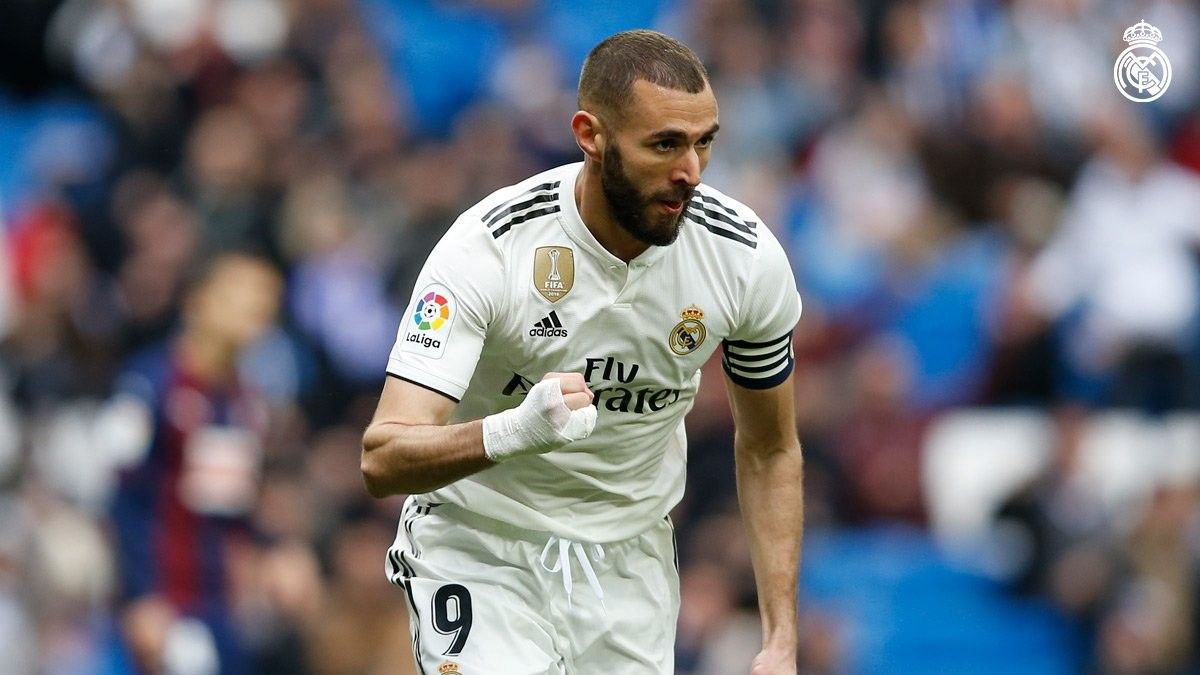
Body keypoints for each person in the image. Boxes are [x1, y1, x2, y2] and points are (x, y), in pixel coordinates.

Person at [361, 29, 804, 674]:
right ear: (590, 135)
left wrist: (780, 637)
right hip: (479, 545)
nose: (691, 172)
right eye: (664, 145)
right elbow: (383, 456)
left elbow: (770, 447)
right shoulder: (490, 250)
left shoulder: (743, 260)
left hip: (628, 566)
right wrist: (515, 430)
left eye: (704, 142)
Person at [106, 251, 283, 674]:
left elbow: (234, 506)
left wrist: (275, 553)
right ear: (196, 299)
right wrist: (139, 597)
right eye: (240, 291)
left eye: (267, 297)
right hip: (159, 609)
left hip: (220, 611)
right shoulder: (147, 386)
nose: (255, 305)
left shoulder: (249, 403)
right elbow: (118, 498)